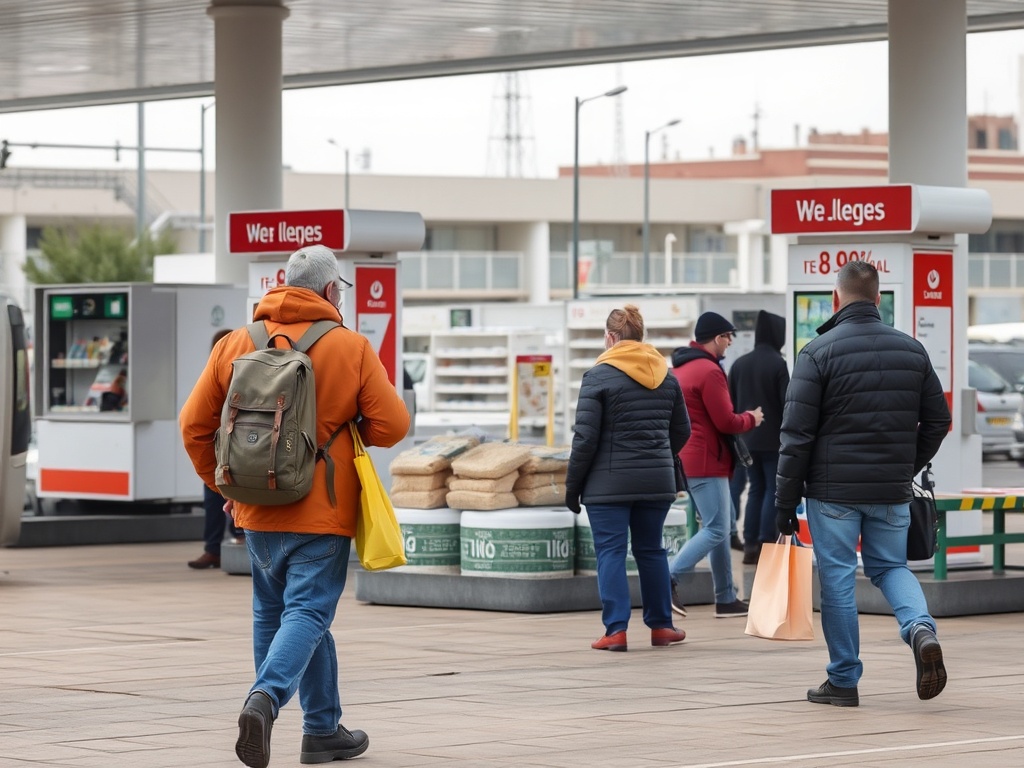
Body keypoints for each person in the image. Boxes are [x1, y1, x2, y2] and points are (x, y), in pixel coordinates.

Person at [180, 244, 410, 766]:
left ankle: (324, 730)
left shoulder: (237, 343)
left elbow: (193, 425)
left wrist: (222, 486)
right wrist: (349, 423)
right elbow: (393, 425)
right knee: (307, 611)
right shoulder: (349, 347)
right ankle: (264, 699)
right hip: (321, 509)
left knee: (275, 613)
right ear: (331, 291)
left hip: (255, 508)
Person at [775, 260, 950, 707]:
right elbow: (938, 420)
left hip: (833, 492)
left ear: (836, 299)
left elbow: (796, 436)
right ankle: (920, 629)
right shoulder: (912, 350)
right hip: (891, 488)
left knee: (836, 579)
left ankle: (844, 679)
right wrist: (906, 463)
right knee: (891, 568)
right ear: (877, 299)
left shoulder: (816, 353)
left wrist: (784, 500)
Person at [565, 304, 691, 652]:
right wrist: (658, 455)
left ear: (610, 337)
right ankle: (662, 626)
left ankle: (616, 630)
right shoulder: (666, 375)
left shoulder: (598, 377)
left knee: (611, 552)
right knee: (652, 551)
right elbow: (682, 431)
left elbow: (585, 438)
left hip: (608, 486)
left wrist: (572, 486)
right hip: (656, 481)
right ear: (641, 336)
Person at [667, 311, 762, 618]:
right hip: (708, 460)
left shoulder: (680, 369)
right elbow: (726, 420)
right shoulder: (709, 371)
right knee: (719, 527)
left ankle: (725, 597)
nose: (730, 342)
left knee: (719, 522)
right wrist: (753, 418)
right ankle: (667, 577)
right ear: (717, 338)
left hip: (689, 458)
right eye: (728, 337)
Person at [728, 310, 789, 565]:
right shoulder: (778, 364)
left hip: (746, 440)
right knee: (772, 491)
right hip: (773, 441)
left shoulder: (739, 364)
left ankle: (750, 543)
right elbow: (788, 403)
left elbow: (729, 401)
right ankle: (765, 541)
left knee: (755, 490)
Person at [188, 329, 244, 570]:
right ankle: (213, 549)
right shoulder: (213, 375)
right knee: (213, 499)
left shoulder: (244, 373)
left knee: (235, 495)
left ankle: (238, 538)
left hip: (235, 448)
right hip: (219, 448)